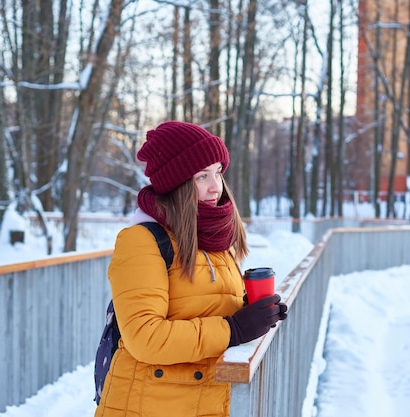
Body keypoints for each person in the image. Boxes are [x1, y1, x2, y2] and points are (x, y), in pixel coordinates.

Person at [94, 121, 288, 417]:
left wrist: (253, 311)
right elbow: (146, 338)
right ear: (177, 183)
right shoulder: (141, 241)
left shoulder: (216, 240)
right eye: (202, 176)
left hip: (206, 401)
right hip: (150, 407)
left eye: (218, 172)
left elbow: (203, 305)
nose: (215, 186)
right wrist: (233, 329)